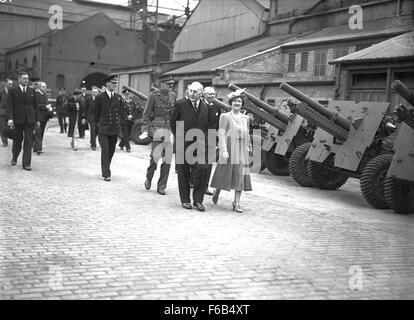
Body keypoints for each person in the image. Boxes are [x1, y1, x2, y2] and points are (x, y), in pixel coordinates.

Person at [170, 81, 213, 211]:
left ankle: (198, 200)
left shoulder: (205, 107)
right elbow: (173, 122)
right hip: (183, 144)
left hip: (200, 145)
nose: (192, 94)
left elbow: (208, 126)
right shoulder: (181, 104)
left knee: (202, 169)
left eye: (195, 92)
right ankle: (185, 200)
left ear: (201, 93)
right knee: (183, 173)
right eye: (190, 91)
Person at [210, 90, 252, 213]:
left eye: (239, 101)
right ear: (231, 102)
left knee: (240, 174)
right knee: (223, 173)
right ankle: (216, 191)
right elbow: (221, 133)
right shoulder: (225, 116)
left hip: (241, 149)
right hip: (228, 147)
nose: (237, 103)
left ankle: (236, 202)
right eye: (235, 101)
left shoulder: (246, 118)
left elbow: (247, 133)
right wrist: (223, 150)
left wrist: (248, 146)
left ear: (242, 103)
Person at [141, 79, 176, 195]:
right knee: (154, 158)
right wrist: (145, 130)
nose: (170, 87)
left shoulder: (172, 96)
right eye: (168, 84)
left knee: (167, 160)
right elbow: (146, 115)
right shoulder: (153, 96)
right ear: (161, 85)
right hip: (157, 129)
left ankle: (161, 186)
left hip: (169, 130)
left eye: (172, 85)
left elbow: (174, 115)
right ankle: (149, 177)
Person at [6, 72, 39, 170]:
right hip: (18, 120)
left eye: (27, 78)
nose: (26, 80)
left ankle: (26, 164)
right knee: (17, 141)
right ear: (19, 79)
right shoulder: (13, 91)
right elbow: (10, 106)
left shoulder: (32, 91)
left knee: (28, 142)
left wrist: (37, 119)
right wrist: (10, 118)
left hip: (30, 120)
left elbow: (35, 106)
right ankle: (15, 156)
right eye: (24, 78)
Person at [94, 75, 122, 182]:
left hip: (114, 129)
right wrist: (97, 128)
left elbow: (119, 112)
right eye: (113, 83)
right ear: (107, 84)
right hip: (104, 129)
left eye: (116, 83)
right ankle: (106, 173)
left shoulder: (118, 97)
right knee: (105, 151)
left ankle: (106, 167)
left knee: (111, 151)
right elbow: (96, 114)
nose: (115, 85)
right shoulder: (100, 97)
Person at [203, 86, 222, 196]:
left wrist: (217, 139)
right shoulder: (200, 105)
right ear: (204, 94)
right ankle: (194, 183)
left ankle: (205, 186)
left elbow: (218, 124)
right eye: (209, 94)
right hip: (199, 136)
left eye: (213, 94)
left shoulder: (216, 107)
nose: (212, 96)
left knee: (209, 163)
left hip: (211, 137)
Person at [33, 81, 52, 155]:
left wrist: (48, 107)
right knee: (38, 132)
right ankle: (38, 148)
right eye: (43, 87)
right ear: (39, 87)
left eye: (45, 87)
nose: (45, 88)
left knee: (41, 132)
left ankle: (35, 147)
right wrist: (45, 107)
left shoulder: (44, 94)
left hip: (44, 116)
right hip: (38, 116)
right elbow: (36, 105)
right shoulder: (36, 94)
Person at [83, 86, 99, 150]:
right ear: (92, 92)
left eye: (96, 92)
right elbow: (85, 108)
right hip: (91, 117)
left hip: (98, 118)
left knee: (97, 131)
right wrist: (85, 117)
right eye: (94, 92)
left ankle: (92, 140)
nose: (95, 93)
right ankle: (93, 145)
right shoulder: (88, 99)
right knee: (92, 130)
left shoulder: (100, 99)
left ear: (97, 93)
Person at [0, 79, 13, 147]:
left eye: (11, 84)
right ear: (5, 84)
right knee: (2, 127)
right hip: (3, 112)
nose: (11, 85)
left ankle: (14, 139)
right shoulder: (1, 91)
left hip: (11, 112)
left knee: (12, 127)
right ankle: (4, 141)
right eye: (9, 84)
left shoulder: (13, 91)